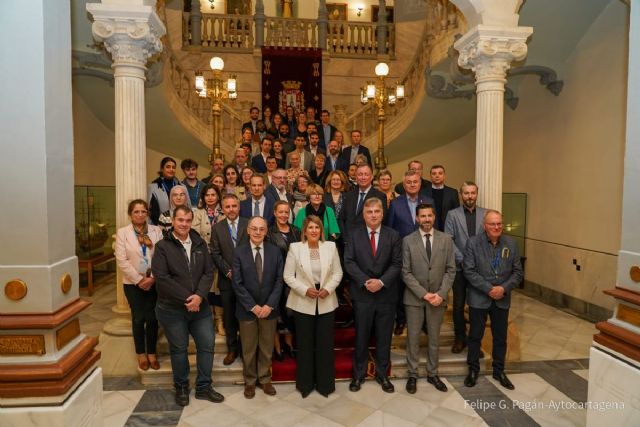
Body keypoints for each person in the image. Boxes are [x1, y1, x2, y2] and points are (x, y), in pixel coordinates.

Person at [152, 206, 224, 406]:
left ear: (191, 221)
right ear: (173, 221)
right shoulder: (162, 247)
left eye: (187, 220)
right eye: (180, 220)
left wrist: (199, 297)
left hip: (199, 308)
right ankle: (182, 387)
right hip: (172, 309)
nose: (184, 224)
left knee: (207, 345)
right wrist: (188, 298)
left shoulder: (200, 244)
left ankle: (204, 387)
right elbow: (162, 278)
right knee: (179, 349)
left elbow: (208, 273)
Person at [345, 197, 402, 393]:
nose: (373, 215)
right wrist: (366, 281)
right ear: (364, 214)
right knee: (361, 336)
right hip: (363, 294)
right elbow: (349, 262)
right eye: (369, 212)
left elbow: (397, 264)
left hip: (387, 294)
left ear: (382, 214)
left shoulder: (393, 235)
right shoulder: (354, 235)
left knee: (384, 338)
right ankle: (358, 375)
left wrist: (382, 282)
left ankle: (382, 374)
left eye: (377, 211)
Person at [463, 210, 523, 391]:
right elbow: (469, 271)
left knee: (500, 337)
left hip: (502, 299)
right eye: (492, 224)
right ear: (484, 226)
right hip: (479, 298)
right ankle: (473, 370)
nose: (496, 227)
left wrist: (503, 288)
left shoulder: (511, 244)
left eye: (499, 224)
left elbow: (518, 272)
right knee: (475, 336)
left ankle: (499, 370)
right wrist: (489, 289)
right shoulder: (473, 243)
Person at [284, 215, 343, 398]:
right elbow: (288, 276)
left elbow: (338, 272)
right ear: (305, 230)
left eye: (317, 227)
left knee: (325, 345)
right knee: (305, 344)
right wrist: (304, 290)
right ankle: (305, 385)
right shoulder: (295, 248)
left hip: (326, 298)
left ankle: (325, 385)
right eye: (310, 227)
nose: (314, 231)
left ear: (321, 230)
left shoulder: (330, 247)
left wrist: (328, 289)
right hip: (303, 301)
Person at [402, 203, 456, 394]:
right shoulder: (408, 241)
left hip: (437, 299)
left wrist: (440, 295)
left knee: (434, 338)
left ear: (434, 218)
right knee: (413, 338)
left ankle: (433, 373)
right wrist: (424, 294)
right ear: (417, 219)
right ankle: (412, 374)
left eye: (429, 216)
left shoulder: (446, 240)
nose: (426, 219)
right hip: (415, 299)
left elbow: (451, 270)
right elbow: (405, 272)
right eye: (422, 216)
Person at [233, 216, 283, 399]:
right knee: (248, 347)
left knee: (266, 346)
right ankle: (250, 381)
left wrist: (269, 305)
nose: (257, 232)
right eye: (254, 228)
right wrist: (253, 306)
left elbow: (279, 280)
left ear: (266, 231)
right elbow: (237, 283)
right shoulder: (239, 252)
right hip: (247, 310)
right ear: (248, 230)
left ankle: (264, 378)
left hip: (269, 310)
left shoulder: (275, 251)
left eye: (261, 229)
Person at [115, 199, 164, 371]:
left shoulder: (156, 231)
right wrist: (139, 279)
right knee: (138, 318)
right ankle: (141, 354)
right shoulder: (123, 233)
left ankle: (151, 352)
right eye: (136, 212)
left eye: (143, 211)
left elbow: (162, 256)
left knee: (152, 318)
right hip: (132, 283)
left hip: (153, 281)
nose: (140, 214)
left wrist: (152, 278)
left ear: (147, 214)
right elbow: (121, 259)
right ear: (130, 214)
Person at [387, 170, 434, 335]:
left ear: (420, 183)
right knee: (400, 289)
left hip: (425, 253)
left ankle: (425, 322)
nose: (412, 184)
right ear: (403, 184)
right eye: (409, 182)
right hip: (402, 254)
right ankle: (401, 320)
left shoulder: (429, 201)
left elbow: (436, 227)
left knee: (424, 286)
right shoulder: (395, 204)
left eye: (415, 181)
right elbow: (391, 230)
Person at [444, 181, 487, 354]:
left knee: (477, 306)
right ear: (461, 195)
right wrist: (463, 259)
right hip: (460, 268)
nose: (469, 196)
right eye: (466, 193)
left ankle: (475, 341)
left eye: (472, 193)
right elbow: (448, 240)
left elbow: (489, 239)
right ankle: (460, 338)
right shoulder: (452, 215)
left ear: (477, 194)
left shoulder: (486, 214)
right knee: (459, 305)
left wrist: (477, 262)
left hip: (479, 270)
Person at [211, 194, 248, 366]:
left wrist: (241, 271)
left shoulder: (249, 224)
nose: (231, 209)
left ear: (239, 207)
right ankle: (232, 349)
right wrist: (228, 271)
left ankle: (246, 349)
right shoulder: (217, 228)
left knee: (246, 316)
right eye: (227, 207)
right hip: (227, 281)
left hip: (248, 280)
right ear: (222, 208)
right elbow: (215, 254)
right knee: (229, 317)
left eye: (234, 206)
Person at [266, 201, 300, 361]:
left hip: (294, 280)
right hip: (275, 280)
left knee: (291, 315)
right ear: (274, 213)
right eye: (280, 212)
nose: (284, 215)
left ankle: (289, 345)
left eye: (286, 212)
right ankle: (277, 348)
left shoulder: (296, 231)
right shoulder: (269, 233)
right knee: (276, 315)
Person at [192, 184, 225, 335]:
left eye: (213, 194)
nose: (210, 198)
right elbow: (194, 234)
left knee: (218, 289)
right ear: (203, 197)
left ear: (218, 196)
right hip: (204, 257)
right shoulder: (198, 212)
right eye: (207, 195)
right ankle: (209, 320)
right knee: (206, 288)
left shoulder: (224, 211)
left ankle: (220, 321)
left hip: (221, 257)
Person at [338, 164, 387, 242]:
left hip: (369, 242)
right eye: (360, 174)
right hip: (349, 242)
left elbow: (382, 220)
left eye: (366, 174)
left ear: (371, 177)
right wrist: (345, 238)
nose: (363, 177)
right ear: (356, 177)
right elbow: (341, 219)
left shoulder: (380, 196)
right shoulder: (348, 196)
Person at [423, 165, 459, 231]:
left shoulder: (453, 192)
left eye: (440, 173)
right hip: (428, 228)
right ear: (430, 176)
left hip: (447, 229)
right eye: (434, 174)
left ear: (444, 176)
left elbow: (456, 213)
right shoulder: (423, 192)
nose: (437, 176)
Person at [148, 156, 180, 225]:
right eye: (168, 167)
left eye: (173, 167)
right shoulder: (154, 186)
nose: (171, 169)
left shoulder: (181, 186)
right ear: (162, 169)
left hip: (179, 224)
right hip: (160, 225)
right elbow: (151, 211)